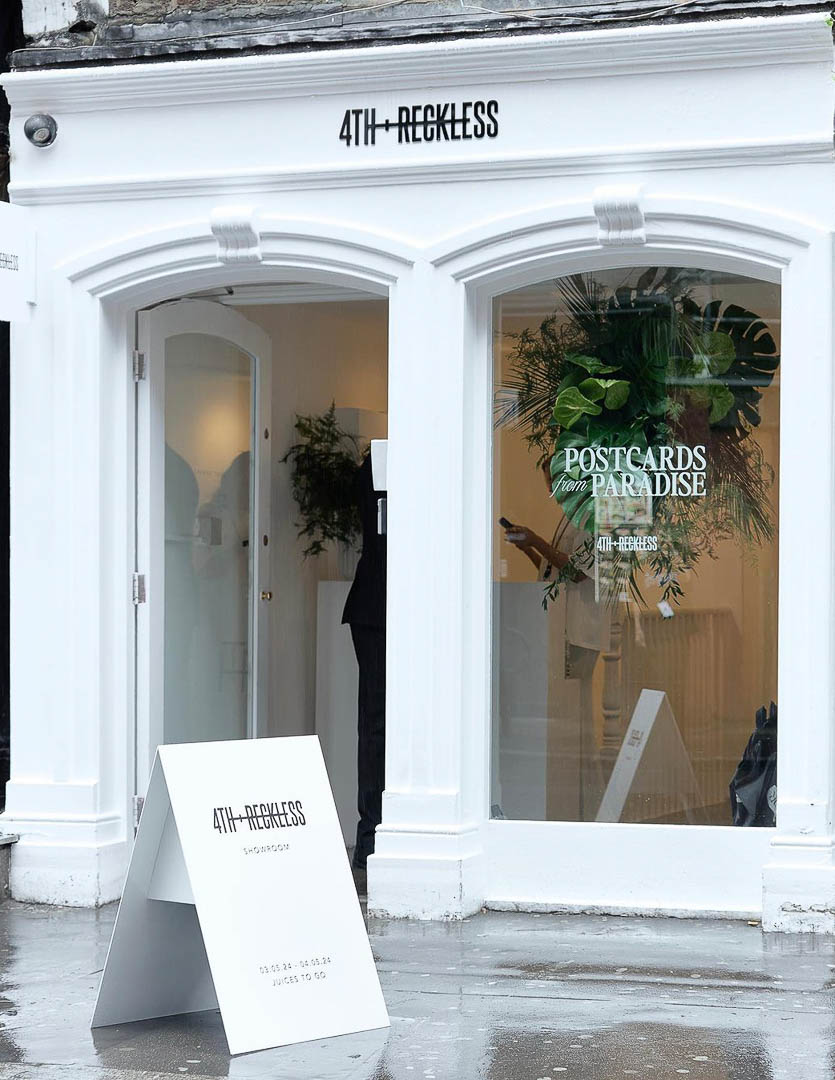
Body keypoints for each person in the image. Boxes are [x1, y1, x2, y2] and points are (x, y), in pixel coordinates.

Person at [342, 453, 387, 870]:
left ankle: (373, 832)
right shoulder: (378, 465)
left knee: (375, 722)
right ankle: (371, 834)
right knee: (375, 721)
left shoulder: (378, 463)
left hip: (377, 605)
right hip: (376, 607)